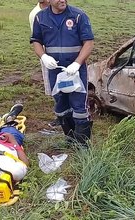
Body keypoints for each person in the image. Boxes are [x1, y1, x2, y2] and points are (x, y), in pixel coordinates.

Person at [30, 0, 94, 146]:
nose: (62, 0)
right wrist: (44, 56)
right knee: (61, 105)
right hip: (55, 72)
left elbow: (89, 43)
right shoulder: (40, 18)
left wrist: (77, 63)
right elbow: (36, 41)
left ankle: (83, 146)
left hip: (76, 71)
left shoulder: (79, 16)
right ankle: (71, 140)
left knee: (79, 107)